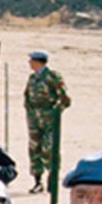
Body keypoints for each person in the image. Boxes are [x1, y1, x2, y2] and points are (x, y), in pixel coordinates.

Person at [26, 50, 73, 193]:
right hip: (34, 119)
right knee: (35, 149)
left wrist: (55, 113)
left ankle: (52, 180)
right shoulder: (32, 78)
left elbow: (65, 99)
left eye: (31, 60)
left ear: (38, 61)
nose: (29, 63)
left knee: (50, 149)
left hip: (49, 120)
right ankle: (37, 181)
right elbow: (27, 97)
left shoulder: (53, 76)